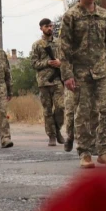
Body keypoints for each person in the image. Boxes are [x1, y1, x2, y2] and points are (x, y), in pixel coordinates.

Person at [60, 0, 106, 168]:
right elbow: (63, 48)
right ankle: (85, 152)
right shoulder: (71, 16)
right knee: (84, 114)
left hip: (102, 71)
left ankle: (104, 150)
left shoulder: (105, 15)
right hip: (80, 74)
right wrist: (67, 75)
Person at [31, 18, 65, 146]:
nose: (49, 28)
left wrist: (59, 62)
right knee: (47, 110)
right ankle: (52, 136)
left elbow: (65, 58)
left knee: (61, 107)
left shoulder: (59, 42)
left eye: (51, 26)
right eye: (47, 26)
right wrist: (47, 63)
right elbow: (34, 63)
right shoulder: (37, 45)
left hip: (57, 80)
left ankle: (57, 129)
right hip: (44, 81)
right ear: (41, 28)